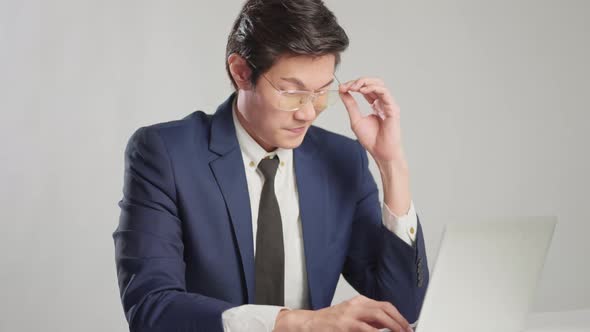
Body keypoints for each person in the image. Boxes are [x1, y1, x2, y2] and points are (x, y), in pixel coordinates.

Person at [112, 0, 429, 331]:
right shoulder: (166, 154)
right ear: (241, 72)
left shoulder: (342, 159)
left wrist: (392, 165)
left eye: (322, 92)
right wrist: (294, 323)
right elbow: (150, 308)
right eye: (291, 92)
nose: (308, 112)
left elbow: (401, 308)